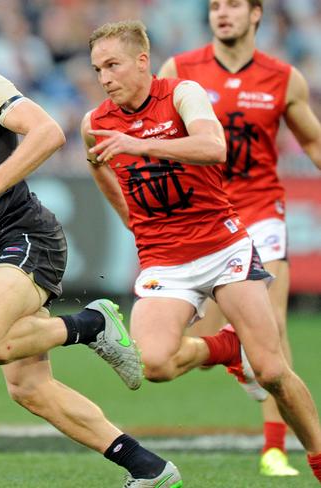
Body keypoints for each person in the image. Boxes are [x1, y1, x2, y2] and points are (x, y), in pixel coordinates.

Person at [0, 6, 182, 487]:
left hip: (25, 234)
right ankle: (148, 469)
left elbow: (48, 131)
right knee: (28, 388)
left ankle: (92, 323)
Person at [82, 19, 321, 484]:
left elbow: (215, 147)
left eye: (112, 65)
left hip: (222, 245)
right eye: (97, 69)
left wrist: (137, 144)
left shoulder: (181, 94)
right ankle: (228, 347)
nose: (105, 78)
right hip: (163, 258)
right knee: (151, 365)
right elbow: (97, 165)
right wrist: (131, 221)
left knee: (272, 371)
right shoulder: (96, 122)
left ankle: (316, 455)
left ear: (142, 61)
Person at [158, 0, 321, 476]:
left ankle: (275, 447)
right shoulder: (181, 69)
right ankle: (230, 353)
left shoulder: (282, 77)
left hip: (261, 212)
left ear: (256, 15)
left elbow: (311, 142)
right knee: (198, 345)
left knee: (272, 330)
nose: (221, 13)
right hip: (205, 219)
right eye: (214, 6)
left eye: (233, 5)